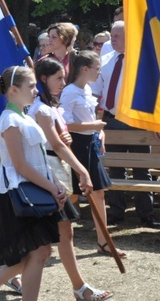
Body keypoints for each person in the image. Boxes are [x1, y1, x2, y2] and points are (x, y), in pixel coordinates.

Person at [0, 66, 65, 301]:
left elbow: (40, 159)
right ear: (14, 90)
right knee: (38, 251)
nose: (37, 90)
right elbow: (20, 165)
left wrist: (56, 183)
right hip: (19, 193)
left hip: (35, 188)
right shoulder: (10, 120)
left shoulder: (24, 116)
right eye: (32, 86)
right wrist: (51, 187)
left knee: (41, 251)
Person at [30, 58, 113, 300]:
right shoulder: (40, 108)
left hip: (55, 171)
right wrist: (82, 170)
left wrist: (64, 137)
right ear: (44, 79)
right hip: (46, 173)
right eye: (58, 78)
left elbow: (59, 138)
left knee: (63, 235)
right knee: (41, 241)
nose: (63, 83)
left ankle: (80, 288)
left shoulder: (50, 106)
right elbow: (54, 143)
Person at [92, 21, 160, 228]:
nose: (112, 39)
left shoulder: (143, 63)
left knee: (142, 170)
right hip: (111, 121)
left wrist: (156, 123)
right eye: (112, 35)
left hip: (138, 122)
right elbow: (96, 93)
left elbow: (155, 93)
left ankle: (146, 214)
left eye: (117, 36)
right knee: (115, 168)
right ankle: (116, 212)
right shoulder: (105, 61)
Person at [60, 50, 124, 258]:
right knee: (72, 195)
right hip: (76, 146)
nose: (100, 72)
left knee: (98, 193)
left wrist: (100, 132)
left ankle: (104, 242)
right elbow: (65, 124)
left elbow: (92, 120)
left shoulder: (87, 89)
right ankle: (47, 234)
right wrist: (93, 125)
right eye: (97, 68)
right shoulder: (69, 92)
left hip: (90, 144)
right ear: (85, 69)